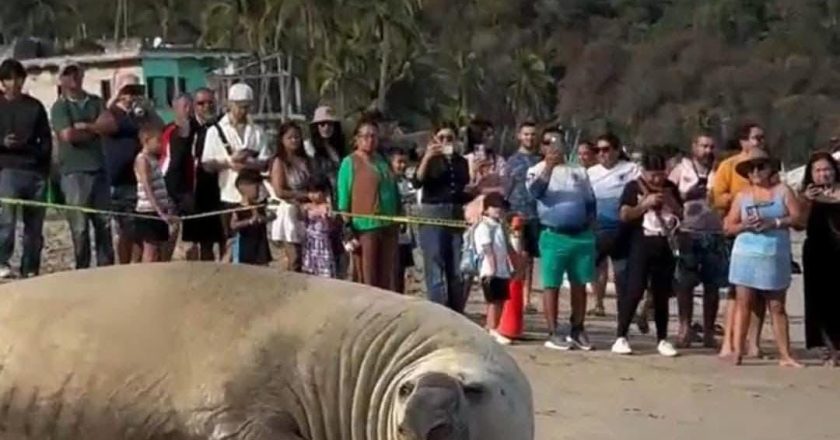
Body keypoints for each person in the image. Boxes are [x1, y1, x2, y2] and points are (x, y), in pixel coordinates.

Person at [724, 148, 802, 367]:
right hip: (746, 255)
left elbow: (797, 217)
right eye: (751, 169)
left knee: (777, 306)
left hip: (775, 254)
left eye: (761, 166)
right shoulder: (742, 196)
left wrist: (774, 223)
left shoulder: (783, 191)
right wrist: (744, 225)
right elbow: (728, 226)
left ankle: (785, 354)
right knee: (744, 304)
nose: (756, 172)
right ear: (747, 174)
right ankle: (738, 351)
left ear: (770, 169)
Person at [526, 135, 597, 351]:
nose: (553, 147)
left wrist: (591, 227)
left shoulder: (578, 171)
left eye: (557, 142)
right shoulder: (536, 170)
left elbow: (590, 201)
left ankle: (578, 328)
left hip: (581, 235)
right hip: (553, 234)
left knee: (579, 284)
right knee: (551, 284)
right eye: (548, 143)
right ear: (542, 147)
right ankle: (553, 331)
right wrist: (548, 167)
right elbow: (535, 192)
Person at [611, 152, 682, 357]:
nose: (657, 179)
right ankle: (621, 336)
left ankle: (662, 338)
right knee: (634, 290)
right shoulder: (633, 187)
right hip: (641, 242)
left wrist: (670, 202)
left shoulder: (670, 188)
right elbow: (625, 214)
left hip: (665, 242)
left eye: (660, 174)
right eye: (653, 175)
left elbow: (681, 213)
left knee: (661, 294)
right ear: (644, 172)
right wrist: (644, 204)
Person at [50, 62, 115, 270]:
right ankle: (82, 270)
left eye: (76, 73)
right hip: (73, 172)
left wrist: (86, 126)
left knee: (104, 224)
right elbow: (67, 135)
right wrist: (97, 129)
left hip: (99, 168)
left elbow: (111, 125)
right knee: (80, 228)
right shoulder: (60, 107)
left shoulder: (96, 101)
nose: (73, 78)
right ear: (61, 80)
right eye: (68, 74)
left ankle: (107, 269)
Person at [711, 122, 767, 359]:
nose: (760, 142)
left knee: (762, 293)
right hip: (738, 234)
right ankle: (730, 343)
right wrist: (743, 198)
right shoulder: (729, 165)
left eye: (762, 138)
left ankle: (753, 343)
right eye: (756, 138)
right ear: (743, 141)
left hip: (766, 235)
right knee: (737, 292)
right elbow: (716, 197)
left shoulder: (769, 166)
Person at [201, 83, 272, 262]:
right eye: (239, 105)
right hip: (229, 195)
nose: (243, 110)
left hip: (255, 196)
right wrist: (229, 163)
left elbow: (265, 162)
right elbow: (207, 164)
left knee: (257, 249)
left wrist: (247, 163)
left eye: (246, 106)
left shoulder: (257, 131)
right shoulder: (215, 131)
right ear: (229, 104)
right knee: (231, 246)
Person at [669, 133, 728, 348]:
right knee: (685, 284)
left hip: (715, 231)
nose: (708, 151)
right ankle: (685, 328)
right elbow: (667, 195)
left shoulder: (721, 169)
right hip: (687, 230)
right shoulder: (681, 169)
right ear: (694, 147)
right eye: (704, 146)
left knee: (712, 285)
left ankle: (709, 331)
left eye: (712, 147)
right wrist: (687, 196)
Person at [97, 72, 163, 264]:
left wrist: (148, 108)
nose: (131, 95)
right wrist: (114, 99)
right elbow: (100, 125)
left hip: (136, 179)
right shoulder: (112, 113)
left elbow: (158, 128)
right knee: (123, 231)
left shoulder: (140, 114)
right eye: (127, 90)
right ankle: (124, 265)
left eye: (136, 90)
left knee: (137, 229)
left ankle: (135, 266)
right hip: (117, 179)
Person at [0, 59, 52, 279]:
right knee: (7, 222)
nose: (15, 83)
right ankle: (2, 262)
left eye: (18, 78)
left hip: (35, 170)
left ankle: (30, 267)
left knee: (34, 226)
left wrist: (44, 165)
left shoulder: (35, 106)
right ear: (3, 81)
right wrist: (3, 143)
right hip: (7, 169)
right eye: (10, 78)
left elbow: (46, 139)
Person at [414, 122, 473, 310]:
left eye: (450, 138)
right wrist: (428, 157)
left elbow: (462, 191)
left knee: (456, 266)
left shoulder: (461, 162)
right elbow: (417, 182)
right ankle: (438, 310)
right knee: (435, 264)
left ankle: (457, 310)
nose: (446, 142)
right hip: (432, 211)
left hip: (455, 212)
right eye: (442, 138)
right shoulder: (430, 160)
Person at [336, 117, 401, 291]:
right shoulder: (349, 162)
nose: (370, 140)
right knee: (367, 277)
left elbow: (394, 190)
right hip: (364, 227)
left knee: (386, 276)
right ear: (356, 139)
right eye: (365, 136)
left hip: (388, 225)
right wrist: (347, 225)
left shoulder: (382, 161)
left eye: (373, 136)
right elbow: (343, 199)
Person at [587, 133, 640, 317]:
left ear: (617, 150)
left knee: (621, 270)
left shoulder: (631, 169)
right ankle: (598, 303)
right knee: (597, 266)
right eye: (598, 150)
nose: (602, 153)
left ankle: (624, 307)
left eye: (606, 149)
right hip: (598, 226)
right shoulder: (591, 173)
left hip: (623, 227)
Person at [799, 152, 840, 367]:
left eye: (827, 169)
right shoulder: (806, 196)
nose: (824, 174)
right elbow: (798, 223)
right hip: (817, 251)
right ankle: (827, 347)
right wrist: (807, 200)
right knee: (819, 300)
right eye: (818, 171)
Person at [181, 88, 226, 261]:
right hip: (198, 191)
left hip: (221, 188)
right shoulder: (188, 128)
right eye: (201, 103)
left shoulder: (222, 125)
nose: (207, 107)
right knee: (201, 242)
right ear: (194, 106)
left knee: (226, 237)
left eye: (210, 103)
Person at [504, 121, 542, 310]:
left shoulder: (541, 160)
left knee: (530, 258)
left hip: (536, 214)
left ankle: (527, 298)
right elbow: (506, 188)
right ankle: (515, 295)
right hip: (516, 214)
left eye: (533, 134)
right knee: (518, 256)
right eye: (526, 134)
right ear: (519, 136)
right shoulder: (512, 161)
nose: (529, 137)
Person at [268, 121, 312, 272]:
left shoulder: (305, 160)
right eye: (290, 137)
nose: (294, 140)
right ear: (282, 140)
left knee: (306, 257)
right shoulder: (279, 161)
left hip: (306, 210)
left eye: (297, 137)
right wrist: (304, 195)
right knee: (294, 258)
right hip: (288, 211)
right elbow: (279, 191)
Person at [474, 192, 515, 345]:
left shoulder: (499, 226)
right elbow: (486, 248)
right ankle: (492, 329)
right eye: (494, 206)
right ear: (486, 209)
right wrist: (492, 268)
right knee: (493, 301)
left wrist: (511, 266)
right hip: (491, 270)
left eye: (500, 207)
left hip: (502, 269)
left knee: (501, 300)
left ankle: (493, 327)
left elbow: (506, 247)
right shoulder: (484, 226)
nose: (498, 209)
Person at [133, 125, 177, 263]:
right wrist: (159, 212)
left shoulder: (153, 159)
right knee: (150, 250)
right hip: (149, 211)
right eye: (157, 141)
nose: (161, 145)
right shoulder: (142, 159)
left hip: (160, 210)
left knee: (161, 247)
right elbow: (147, 187)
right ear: (146, 141)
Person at [159, 93, 195, 261]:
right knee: (170, 232)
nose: (188, 110)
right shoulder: (170, 131)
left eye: (190, 106)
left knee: (191, 236)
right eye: (184, 106)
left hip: (189, 187)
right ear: (175, 108)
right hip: (170, 186)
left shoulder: (196, 128)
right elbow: (167, 161)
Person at [388, 147, 417, 294]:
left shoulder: (408, 182)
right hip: (393, 234)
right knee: (393, 271)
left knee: (402, 272)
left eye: (405, 162)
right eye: (399, 162)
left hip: (407, 235)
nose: (402, 165)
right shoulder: (388, 182)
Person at [229, 170, 273, 266]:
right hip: (245, 245)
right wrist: (248, 221)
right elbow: (233, 225)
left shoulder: (259, 206)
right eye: (257, 187)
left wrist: (263, 218)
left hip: (261, 243)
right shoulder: (239, 208)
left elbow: (272, 216)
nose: (259, 190)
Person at [300, 178, 339, 278]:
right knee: (310, 268)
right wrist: (304, 212)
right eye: (310, 192)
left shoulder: (327, 207)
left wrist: (328, 215)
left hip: (323, 242)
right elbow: (301, 219)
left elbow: (333, 224)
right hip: (310, 242)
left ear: (324, 191)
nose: (312, 195)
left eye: (316, 192)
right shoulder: (307, 206)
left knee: (325, 269)